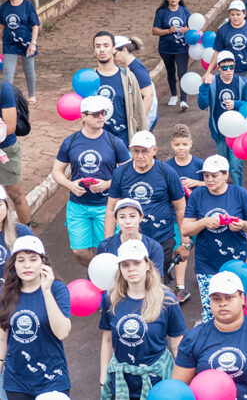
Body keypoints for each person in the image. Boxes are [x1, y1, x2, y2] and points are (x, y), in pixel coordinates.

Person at [98, 240, 186, 399]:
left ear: (147, 264)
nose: (131, 268)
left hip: (156, 378)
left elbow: (176, 344)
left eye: (136, 263)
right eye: (125, 265)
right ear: (120, 269)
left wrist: (179, 383)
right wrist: (103, 379)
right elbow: (107, 340)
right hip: (122, 379)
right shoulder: (111, 299)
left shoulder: (166, 299)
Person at [172, 271, 247, 397]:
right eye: (216, 299)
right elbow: (178, 389)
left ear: (242, 298)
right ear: (210, 302)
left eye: (228, 297)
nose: (222, 303)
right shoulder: (193, 338)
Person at [53, 95, 130, 267]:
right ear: (83, 116)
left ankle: (107, 275)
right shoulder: (70, 142)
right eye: (95, 114)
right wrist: (69, 185)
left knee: (108, 250)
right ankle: (97, 271)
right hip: (77, 206)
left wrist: (108, 184)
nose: (101, 117)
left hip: (106, 206)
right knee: (79, 251)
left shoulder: (114, 141)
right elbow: (57, 171)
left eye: (103, 113)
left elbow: (127, 172)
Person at [181, 155, 247, 322]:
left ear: (225, 175)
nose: (209, 180)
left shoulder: (240, 194)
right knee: (212, 315)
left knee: (242, 312)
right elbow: (186, 229)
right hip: (207, 266)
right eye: (206, 176)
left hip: (238, 265)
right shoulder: (198, 195)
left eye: (214, 175)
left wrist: (242, 225)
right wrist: (204, 222)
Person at [105, 130, 188, 285]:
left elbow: (180, 208)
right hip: (129, 241)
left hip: (162, 239)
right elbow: (111, 209)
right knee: (130, 285)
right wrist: (109, 242)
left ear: (154, 151)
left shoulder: (167, 172)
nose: (140, 155)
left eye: (145, 151)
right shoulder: (120, 173)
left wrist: (184, 243)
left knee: (158, 286)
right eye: (136, 151)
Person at [0, 236, 72, 399]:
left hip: (53, 379)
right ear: (14, 264)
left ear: (43, 262)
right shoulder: (5, 293)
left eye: (33, 259)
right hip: (16, 383)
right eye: (21, 260)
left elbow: (62, 332)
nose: (27, 265)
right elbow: (2, 339)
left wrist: (46, 291)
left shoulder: (57, 289)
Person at [197, 50, 247, 187]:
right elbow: (202, 104)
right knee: (223, 166)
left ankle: (238, 193)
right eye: (224, 67)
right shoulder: (212, 83)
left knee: (235, 166)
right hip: (220, 132)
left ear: (235, 66)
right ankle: (225, 192)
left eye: (231, 67)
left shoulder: (242, 82)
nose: (228, 70)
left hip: (237, 132)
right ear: (218, 68)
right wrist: (204, 87)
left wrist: (237, 104)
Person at [93, 31, 147, 146]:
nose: (102, 50)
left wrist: (144, 139)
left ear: (113, 49)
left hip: (125, 142)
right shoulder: (89, 79)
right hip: (100, 144)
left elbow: (139, 110)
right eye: (98, 46)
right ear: (94, 50)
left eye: (106, 46)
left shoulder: (128, 76)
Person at [205, 0, 247, 96]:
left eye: (238, 14)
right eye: (232, 14)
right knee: (232, 97)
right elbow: (217, 52)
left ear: (244, 14)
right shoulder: (223, 30)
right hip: (230, 71)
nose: (235, 17)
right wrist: (208, 72)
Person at [96, 199, 165, 279]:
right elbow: (99, 275)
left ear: (140, 217)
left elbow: (156, 280)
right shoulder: (105, 246)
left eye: (132, 216)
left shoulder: (154, 247)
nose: (128, 221)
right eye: (122, 217)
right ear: (116, 220)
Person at [151, 0, 192, 111]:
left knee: (182, 72)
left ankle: (183, 100)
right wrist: (168, 30)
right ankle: (174, 95)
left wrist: (186, 30)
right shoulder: (161, 12)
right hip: (166, 49)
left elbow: (193, 27)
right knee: (170, 72)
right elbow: (154, 30)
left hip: (182, 48)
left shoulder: (184, 11)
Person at [0, 0, 39, 104]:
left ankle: (31, 95)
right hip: (9, 43)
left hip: (26, 43)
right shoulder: (4, 7)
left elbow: (35, 25)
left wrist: (33, 43)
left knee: (29, 70)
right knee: (8, 72)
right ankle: (8, 99)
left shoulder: (28, 5)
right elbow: (1, 25)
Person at [113, 35, 158, 131]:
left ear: (124, 50)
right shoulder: (130, 66)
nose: (113, 58)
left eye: (115, 54)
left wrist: (140, 122)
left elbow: (148, 95)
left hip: (147, 117)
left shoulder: (136, 68)